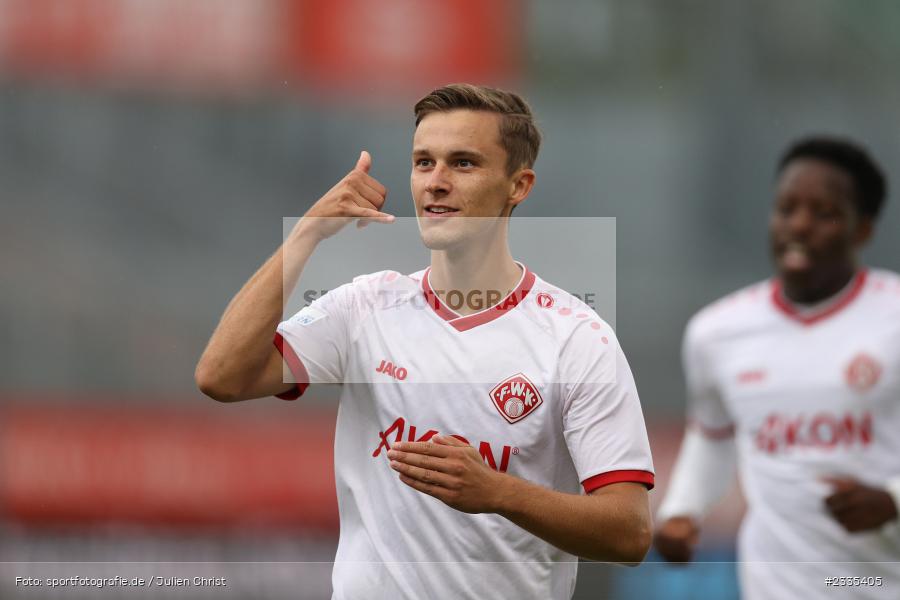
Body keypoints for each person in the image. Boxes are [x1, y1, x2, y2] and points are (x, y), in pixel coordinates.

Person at [195, 84, 654, 599]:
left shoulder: (576, 338)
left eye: (463, 163)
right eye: (423, 163)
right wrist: (307, 234)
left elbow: (630, 532)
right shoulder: (364, 307)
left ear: (518, 185)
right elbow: (221, 377)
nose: (435, 183)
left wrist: (497, 492)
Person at [654, 136, 900, 599]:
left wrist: (893, 501)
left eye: (824, 213)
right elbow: (712, 435)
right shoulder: (718, 331)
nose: (799, 226)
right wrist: (682, 511)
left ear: (862, 229)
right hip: (775, 586)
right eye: (787, 209)